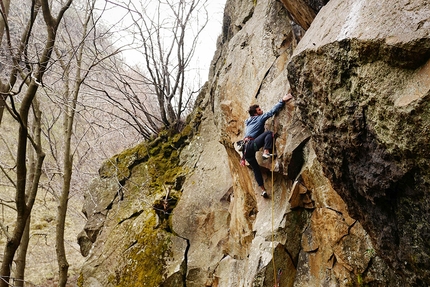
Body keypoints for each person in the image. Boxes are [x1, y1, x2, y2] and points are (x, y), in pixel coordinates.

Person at [242, 92, 293, 197]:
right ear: (256, 113)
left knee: (256, 169)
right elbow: (271, 112)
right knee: (269, 133)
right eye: (259, 110)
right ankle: (266, 152)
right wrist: (283, 100)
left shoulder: (248, 121)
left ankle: (263, 190)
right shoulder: (259, 118)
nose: (261, 110)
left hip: (246, 150)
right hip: (251, 144)